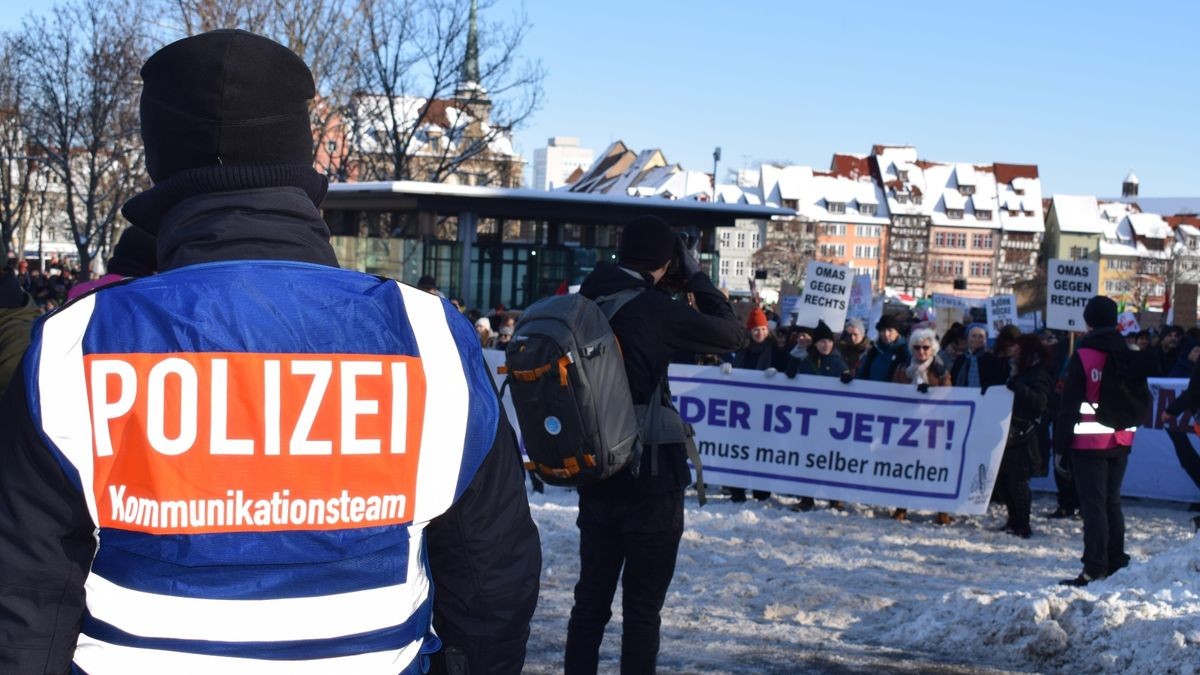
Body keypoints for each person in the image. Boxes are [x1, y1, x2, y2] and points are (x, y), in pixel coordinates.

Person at [0, 30, 540, 673]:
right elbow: (491, 574)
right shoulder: (429, 337)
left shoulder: (74, 344)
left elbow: (27, 595)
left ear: (158, 160)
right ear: (298, 150)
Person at [565, 215, 744, 674]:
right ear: (666, 259)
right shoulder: (653, 308)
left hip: (598, 472)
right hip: (651, 481)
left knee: (589, 605)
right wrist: (698, 276)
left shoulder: (587, 297)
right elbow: (731, 333)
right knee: (642, 612)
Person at [1055, 296, 1151, 587]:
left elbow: (1069, 405)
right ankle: (1115, 561)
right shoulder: (1128, 352)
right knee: (1112, 502)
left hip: (1088, 443)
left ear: (1089, 321)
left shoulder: (1084, 356)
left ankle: (1094, 566)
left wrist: (1060, 448)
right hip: (1121, 439)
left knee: (1093, 506)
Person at [788, 320, 851, 511]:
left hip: (832, 422)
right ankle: (806, 497)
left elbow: (850, 386)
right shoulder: (806, 362)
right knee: (808, 458)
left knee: (832, 459)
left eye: (829, 342)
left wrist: (849, 378)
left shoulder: (839, 363)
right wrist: (794, 361)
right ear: (815, 344)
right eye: (822, 342)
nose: (826, 345)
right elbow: (791, 374)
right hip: (810, 420)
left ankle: (835, 498)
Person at [892, 327, 953, 524]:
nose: (921, 352)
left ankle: (942, 510)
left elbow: (948, 394)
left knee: (935, 469)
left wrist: (931, 393)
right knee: (906, 468)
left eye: (925, 347)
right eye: (917, 347)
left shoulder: (941, 370)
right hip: (908, 427)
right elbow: (894, 392)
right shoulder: (903, 369)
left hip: (933, 428)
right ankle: (901, 506)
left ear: (933, 349)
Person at [996, 334, 1052, 538]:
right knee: (1004, 480)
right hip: (1013, 434)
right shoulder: (1018, 370)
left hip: (1027, 438)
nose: (1014, 351)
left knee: (1018, 482)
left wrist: (1018, 388)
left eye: (1018, 347)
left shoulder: (1038, 374)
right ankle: (1013, 520)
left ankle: (1023, 524)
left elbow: (1040, 403)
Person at [724, 306, 783, 503]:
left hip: (766, 411)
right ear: (750, 330)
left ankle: (761, 492)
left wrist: (778, 373)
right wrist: (725, 371)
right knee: (738, 451)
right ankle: (737, 491)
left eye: (763, 329)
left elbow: (788, 369)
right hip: (741, 410)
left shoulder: (775, 351)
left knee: (761, 452)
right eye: (756, 329)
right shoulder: (742, 351)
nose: (760, 333)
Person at [858, 314, 909, 382]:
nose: (886, 334)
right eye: (883, 330)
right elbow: (861, 371)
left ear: (897, 332)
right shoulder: (873, 350)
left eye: (890, 330)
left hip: (894, 391)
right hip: (871, 390)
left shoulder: (905, 351)